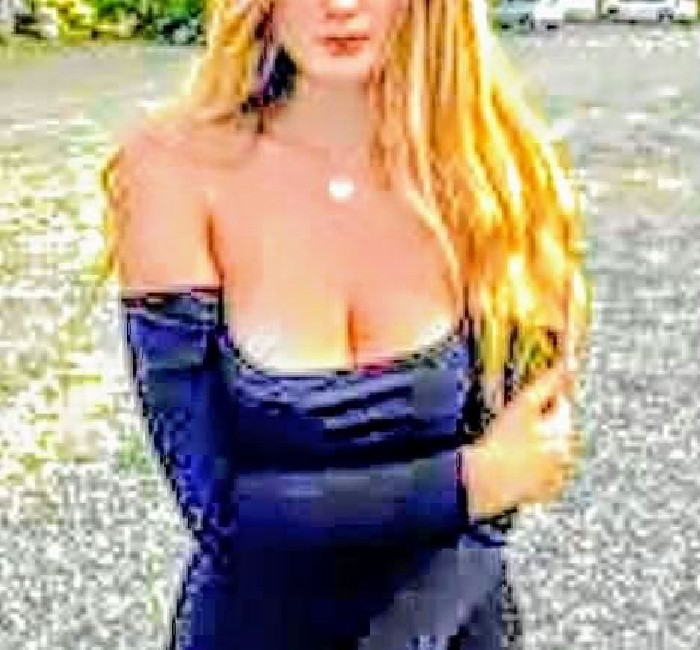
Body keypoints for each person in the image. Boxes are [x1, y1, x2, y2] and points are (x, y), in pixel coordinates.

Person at [98, 0, 592, 648]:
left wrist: (487, 489)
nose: (340, 6)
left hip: (452, 627)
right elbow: (220, 513)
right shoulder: (171, 172)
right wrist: (470, 479)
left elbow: (512, 487)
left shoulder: (498, 177)